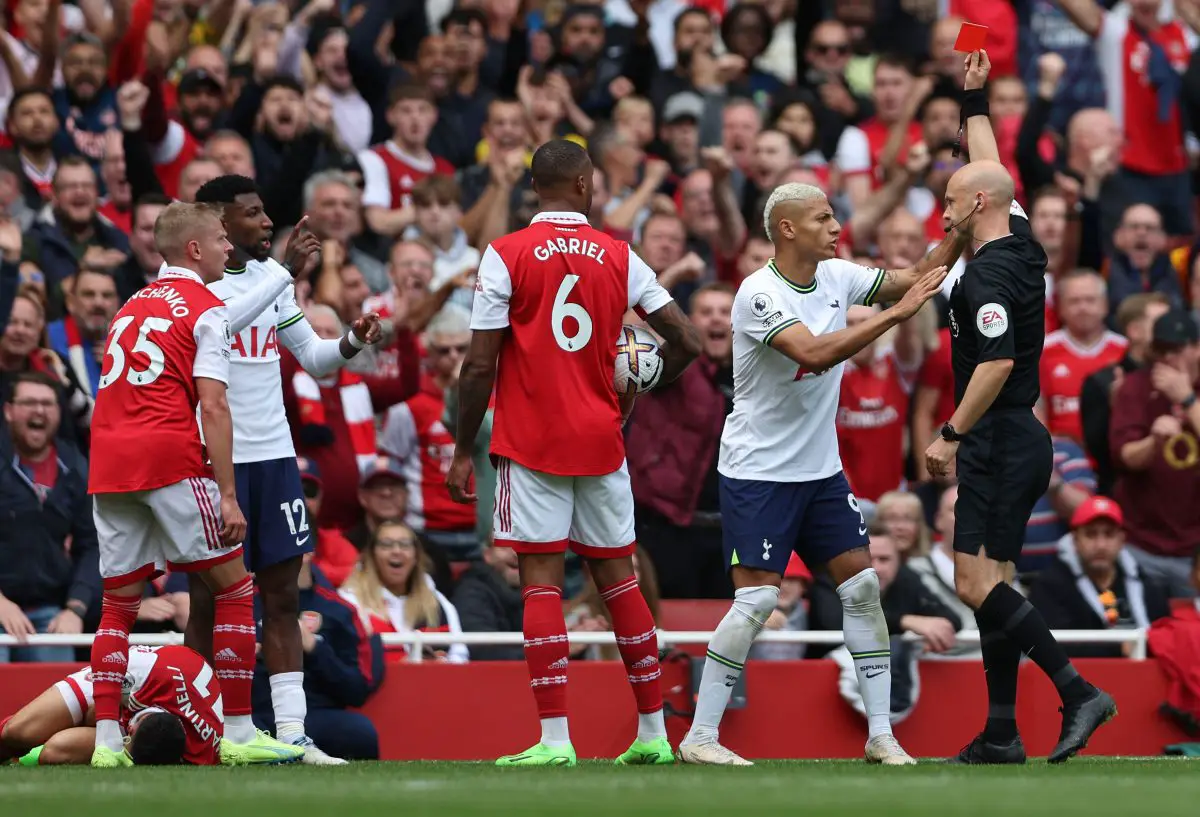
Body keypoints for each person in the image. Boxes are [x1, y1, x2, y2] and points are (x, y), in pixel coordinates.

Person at [676, 168, 961, 766]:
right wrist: (892, 316)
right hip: (758, 471)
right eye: (823, 219)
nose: (836, 226)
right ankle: (700, 737)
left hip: (820, 471)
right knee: (755, 604)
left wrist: (959, 228)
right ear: (787, 230)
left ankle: (881, 734)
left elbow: (915, 277)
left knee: (862, 590)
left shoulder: (837, 274)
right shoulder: (758, 292)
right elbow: (815, 350)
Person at [446, 139, 702, 767]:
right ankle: (652, 735)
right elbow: (689, 340)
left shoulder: (503, 255)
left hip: (531, 443)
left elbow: (478, 364)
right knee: (620, 582)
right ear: (586, 185)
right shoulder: (619, 255)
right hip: (601, 442)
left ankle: (555, 741)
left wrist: (460, 449)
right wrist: (641, 383)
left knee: (542, 586)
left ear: (535, 187)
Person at [922, 50, 1115, 766]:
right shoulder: (1023, 240)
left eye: (948, 201)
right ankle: (1002, 731)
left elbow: (997, 361)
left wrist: (950, 432)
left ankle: (1078, 690)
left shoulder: (987, 279)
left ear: (974, 208)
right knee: (992, 585)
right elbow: (991, 168)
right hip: (1016, 436)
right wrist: (973, 101)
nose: (940, 211)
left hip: (998, 434)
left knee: (974, 580)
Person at [86, 202, 301, 768]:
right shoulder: (206, 309)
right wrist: (227, 493)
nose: (231, 249)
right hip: (169, 457)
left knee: (117, 606)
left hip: (109, 461)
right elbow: (214, 404)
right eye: (221, 240)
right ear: (195, 250)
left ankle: (108, 742)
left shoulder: (130, 304)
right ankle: (237, 731)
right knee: (234, 588)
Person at [187, 175, 383, 765]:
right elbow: (222, 324)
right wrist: (284, 270)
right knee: (209, 602)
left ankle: (293, 734)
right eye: (252, 213)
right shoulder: (192, 290)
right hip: (217, 462)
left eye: (265, 209)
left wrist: (349, 341)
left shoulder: (271, 287)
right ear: (220, 225)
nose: (267, 221)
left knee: (281, 599)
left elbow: (315, 361)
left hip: (274, 459)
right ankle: (204, 727)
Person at [0, 645, 229, 766]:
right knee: (17, 732)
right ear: (131, 727)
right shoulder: (138, 673)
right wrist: (106, 718)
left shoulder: (206, 751)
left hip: (164, 688)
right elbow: (94, 710)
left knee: (55, 752)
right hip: (130, 679)